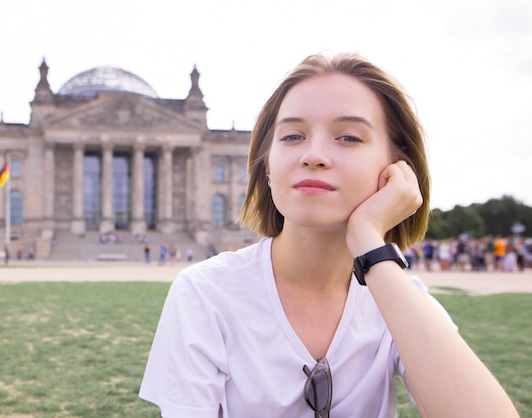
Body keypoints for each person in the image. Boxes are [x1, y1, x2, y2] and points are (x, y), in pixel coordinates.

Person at [139, 53, 518, 417]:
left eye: (349, 137)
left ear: (396, 167)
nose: (313, 155)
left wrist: (371, 244)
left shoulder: (397, 295)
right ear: (267, 166)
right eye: (292, 136)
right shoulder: (205, 294)